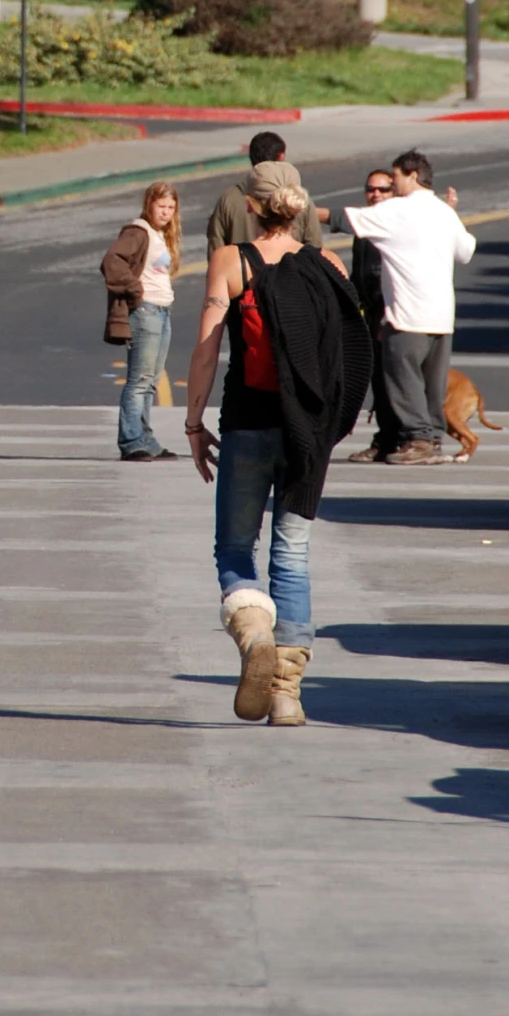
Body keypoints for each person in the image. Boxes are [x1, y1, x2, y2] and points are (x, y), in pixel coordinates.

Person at [185, 163, 370, 727]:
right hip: (307, 434)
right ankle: (287, 694)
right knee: (292, 558)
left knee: (235, 550)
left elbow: (206, 348)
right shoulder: (329, 266)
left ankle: (254, 636)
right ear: (296, 206)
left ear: (252, 205)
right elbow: (350, 355)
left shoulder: (232, 261)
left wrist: (194, 423)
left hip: (247, 423)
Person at [343, 149, 475, 467]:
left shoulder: (397, 214)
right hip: (436, 315)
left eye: (390, 183)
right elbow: (466, 250)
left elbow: (340, 221)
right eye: (371, 189)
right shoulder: (439, 213)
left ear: (411, 177)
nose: (380, 193)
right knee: (411, 382)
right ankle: (409, 440)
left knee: (402, 381)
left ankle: (418, 439)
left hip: (405, 315)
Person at [101, 181, 182, 462]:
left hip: (162, 311)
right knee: (139, 380)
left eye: (171, 207)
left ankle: (146, 439)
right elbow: (112, 261)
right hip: (145, 311)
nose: (166, 212)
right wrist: (135, 289)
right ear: (149, 204)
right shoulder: (138, 231)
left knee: (151, 381)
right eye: (161, 206)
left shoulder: (161, 234)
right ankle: (131, 441)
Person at [340, 169, 399, 463]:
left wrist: (384, 316)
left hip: (390, 315)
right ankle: (386, 438)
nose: (375, 194)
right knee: (376, 378)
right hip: (369, 315)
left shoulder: (397, 224)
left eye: (383, 189)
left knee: (393, 381)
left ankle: (397, 440)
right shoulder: (365, 227)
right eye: (370, 189)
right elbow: (360, 274)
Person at [206, 130, 327, 256]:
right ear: (281, 157)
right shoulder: (297, 198)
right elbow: (315, 247)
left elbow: (215, 250)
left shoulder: (229, 199)